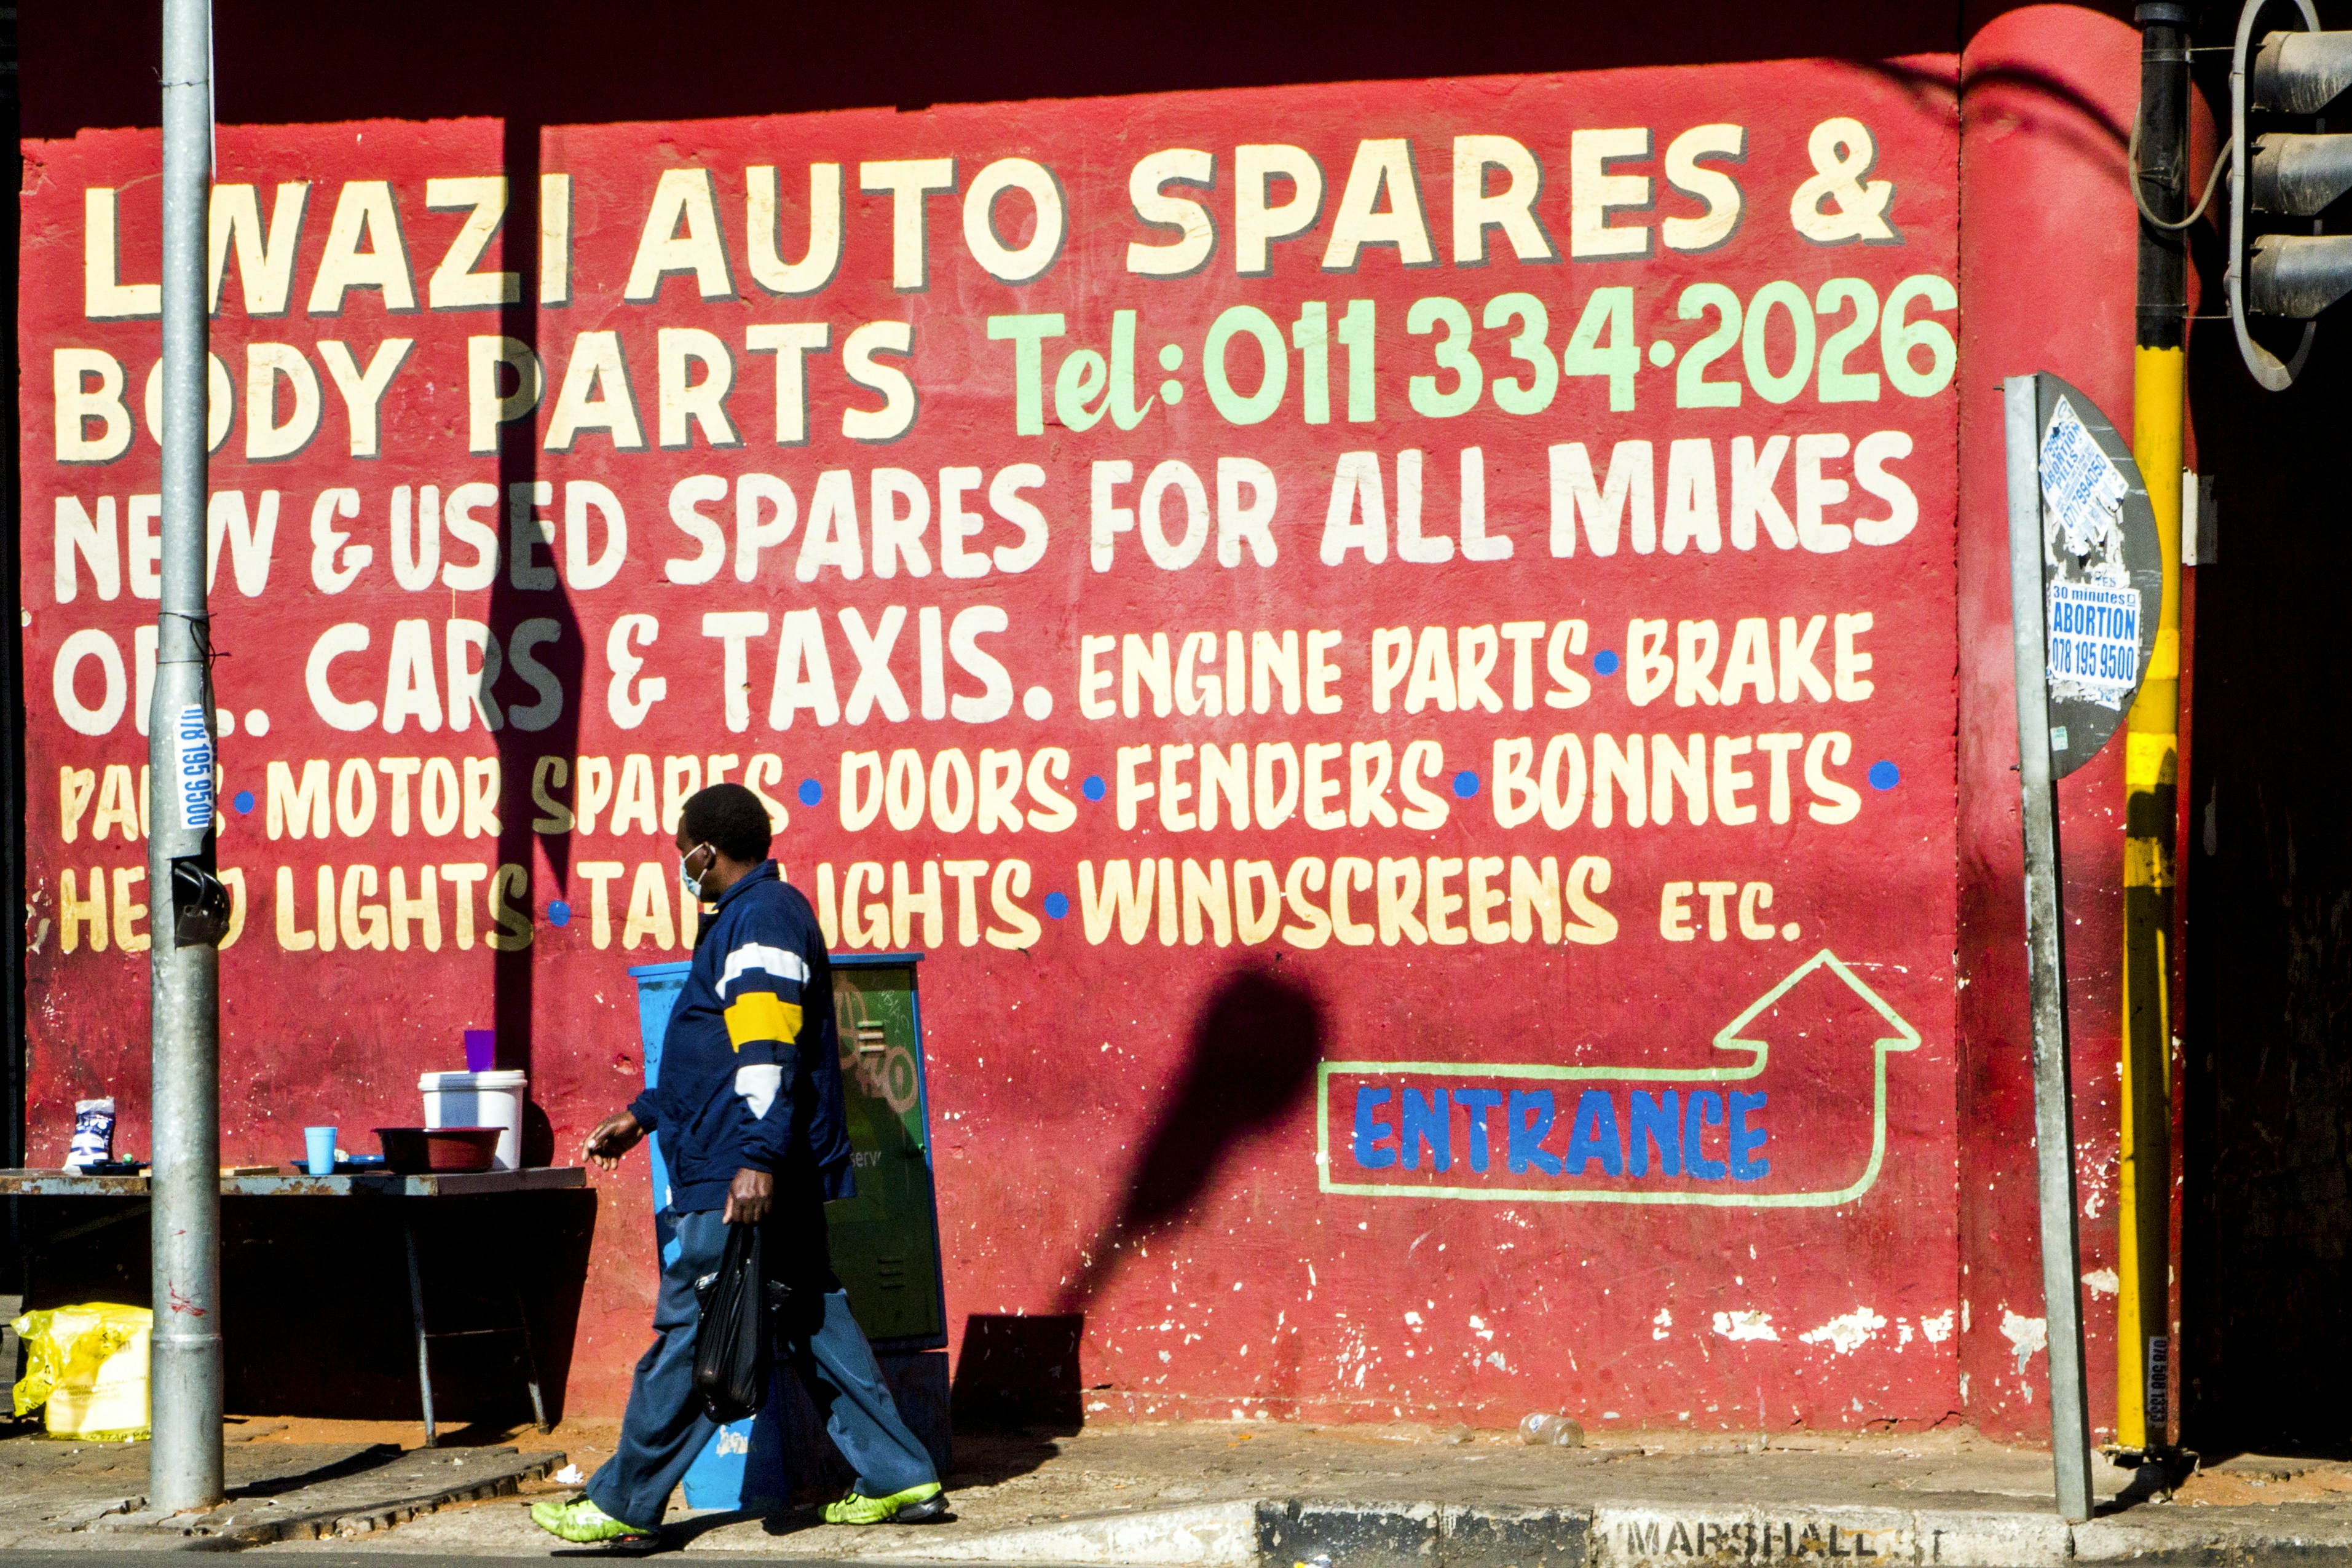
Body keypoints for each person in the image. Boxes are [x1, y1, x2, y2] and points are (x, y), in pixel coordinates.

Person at [531, 783, 947, 1543]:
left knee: (697, 1330)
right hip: (748, 1158)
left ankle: (622, 1502)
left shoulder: (760, 920)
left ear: (706, 850)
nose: (680, 865)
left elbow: (766, 1050)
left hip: (737, 1172)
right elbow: (717, 1047)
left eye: (682, 850)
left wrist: (755, 1158)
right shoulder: (747, 918)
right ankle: (900, 1475)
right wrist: (646, 1113)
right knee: (814, 1316)